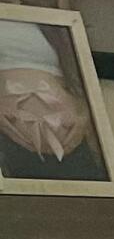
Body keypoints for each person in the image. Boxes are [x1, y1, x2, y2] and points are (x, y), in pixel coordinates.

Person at [0, 14, 98, 183]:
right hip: (11, 145)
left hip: (74, 144)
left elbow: (78, 73)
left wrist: (85, 114)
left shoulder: (44, 14)